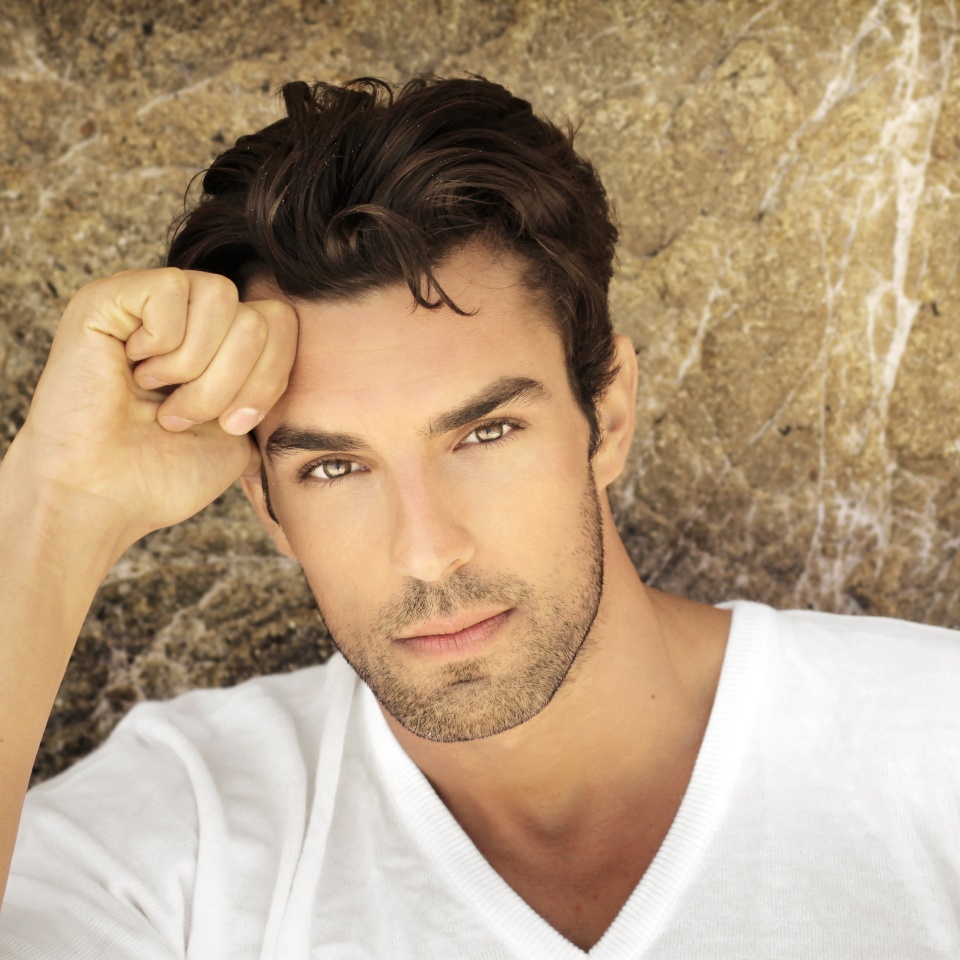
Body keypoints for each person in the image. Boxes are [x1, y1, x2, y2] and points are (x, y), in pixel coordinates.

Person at [0, 75, 957, 959]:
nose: (427, 552)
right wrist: (54, 509)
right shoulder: (186, 831)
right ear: (265, 500)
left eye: (485, 433)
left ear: (607, 415)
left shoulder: (931, 747)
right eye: (335, 466)